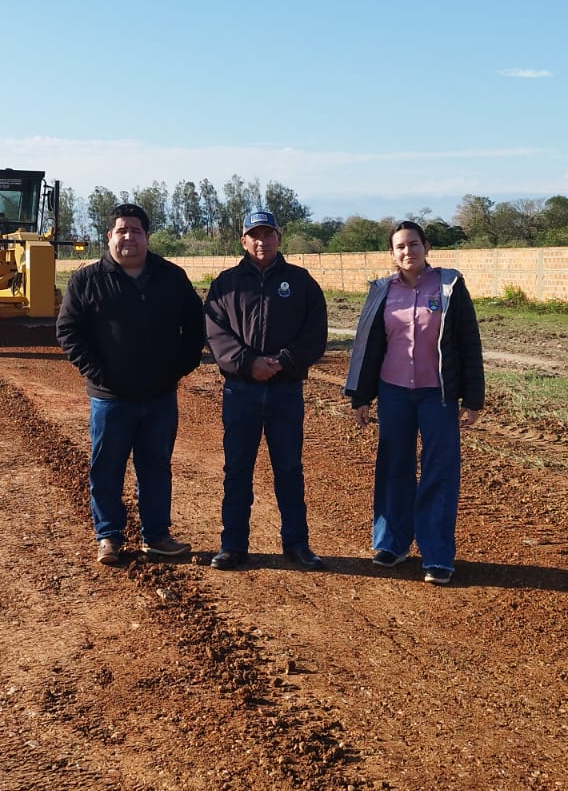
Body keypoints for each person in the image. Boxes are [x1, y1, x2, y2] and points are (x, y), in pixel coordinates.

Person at [56, 202, 205, 565]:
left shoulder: (171, 277)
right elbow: (68, 331)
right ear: (109, 237)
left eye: (135, 231)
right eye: (121, 231)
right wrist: (100, 374)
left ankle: (157, 536)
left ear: (146, 236)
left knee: (156, 467)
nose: (128, 237)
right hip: (111, 399)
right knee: (107, 468)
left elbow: (195, 328)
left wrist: (176, 371)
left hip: (159, 397)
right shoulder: (86, 280)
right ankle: (108, 537)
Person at [344, 220, 485, 585]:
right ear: (392, 254)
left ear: (426, 247)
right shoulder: (381, 291)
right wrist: (361, 395)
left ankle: (437, 555)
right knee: (394, 465)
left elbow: (468, 342)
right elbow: (367, 345)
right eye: (400, 247)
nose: (408, 252)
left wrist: (472, 398)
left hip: (437, 395)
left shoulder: (449, 285)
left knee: (439, 471)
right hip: (393, 392)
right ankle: (392, 543)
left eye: (414, 244)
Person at [204, 210, 329, 570]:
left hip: (285, 390)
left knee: (288, 468)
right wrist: (247, 363)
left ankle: (297, 544)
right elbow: (214, 332)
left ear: (279, 238)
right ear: (242, 241)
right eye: (254, 235)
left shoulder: (301, 282)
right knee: (237, 469)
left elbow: (315, 333)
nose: (262, 241)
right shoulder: (226, 284)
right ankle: (233, 545)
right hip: (241, 391)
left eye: (268, 234)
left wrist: (283, 361)